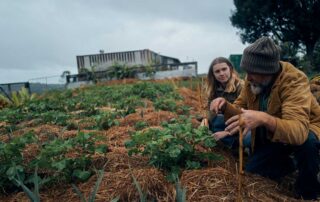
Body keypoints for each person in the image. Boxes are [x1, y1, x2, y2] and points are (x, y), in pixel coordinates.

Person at [210, 37, 320, 200]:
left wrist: (264, 118)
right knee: (254, 173)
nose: (248, 77)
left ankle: (308, 190)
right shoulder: (252, 80)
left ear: (269, 71)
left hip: (305, 129)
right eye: (247, 72)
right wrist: (225, 105)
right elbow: (240, 108)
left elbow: (298, 131)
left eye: (252, 73)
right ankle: (288, 163)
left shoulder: (294, 81)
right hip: (275, 134)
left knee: (307, 142)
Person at [201, 57, 246, 148]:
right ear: (213, 74)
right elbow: (210, 110)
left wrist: (228, 132)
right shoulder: (213, 89)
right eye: (217, 71)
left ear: (230, 69)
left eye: (224, 69)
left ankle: (235, 145)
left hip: (241, 123)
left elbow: (246, 114)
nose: (221, 73)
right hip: (225, 122)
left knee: (218, 119)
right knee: (208, 123)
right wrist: (205, 119)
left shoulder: (241, 86)